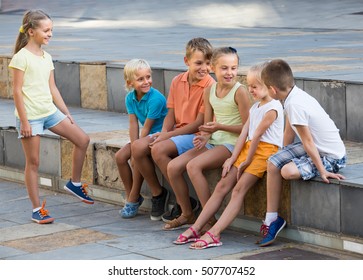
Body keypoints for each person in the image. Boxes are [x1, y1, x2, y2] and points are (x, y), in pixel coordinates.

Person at [173, 62, 284, 249]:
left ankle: (214, 233)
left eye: (255, 87)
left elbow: (257, 135)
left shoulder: (273, 108)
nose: (251, 91)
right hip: (249, 148)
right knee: (222, 184)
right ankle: (197, 226)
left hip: (265, 152)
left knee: (238, 189)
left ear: (268, 86)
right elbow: (245, 133)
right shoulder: (255, 107)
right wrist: (233, 158)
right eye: (249, 86)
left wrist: (246, 161)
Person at [9, 10, 93, 224]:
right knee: (34, 162)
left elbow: (52, 87)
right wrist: (25, 122)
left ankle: (74, 183)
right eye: (46, 30)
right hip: (31, 116)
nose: (50, 34)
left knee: (82, 140)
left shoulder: (46, 57)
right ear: (31, 31)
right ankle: (37, 209)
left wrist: (66, 112)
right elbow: (17, 91)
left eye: (51, 30)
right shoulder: (21, 58)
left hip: (49, 111)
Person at [258, 59, 346, 247]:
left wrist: (322, 170)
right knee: (273, 162)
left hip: (330, 155)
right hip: (316, 146)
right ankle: (271, 218)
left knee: (287, 171)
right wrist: (283, 154)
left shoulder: (294, 105)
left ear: (272, 90)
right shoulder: (292, 96)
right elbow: (289, 131)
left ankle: (317, 167)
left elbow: (307, 141)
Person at [163, 47, 250, 230]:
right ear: (213, 68)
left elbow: (247, 128)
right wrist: (204, 137)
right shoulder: (209, 90)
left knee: (193, 166)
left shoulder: (239, 91)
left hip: (233, 143)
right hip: (214, 141)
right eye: (224, 68)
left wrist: (219, 127)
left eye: (233, 68)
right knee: (172, 167)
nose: (230, 73)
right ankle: (187, 213)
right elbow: (207, 126)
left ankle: (209, 219)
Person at [132, 37, 215, 221]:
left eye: (208, 63)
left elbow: (198, 123)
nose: (204, 68)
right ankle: (158, 193)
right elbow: (171, 113)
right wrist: (163, 133)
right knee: (137, 147)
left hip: (194, 134)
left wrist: (167, 136)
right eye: (199, 63)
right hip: (176, 132)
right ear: (186, 61)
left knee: (159, 149)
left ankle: (185, 206)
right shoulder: (178, 80)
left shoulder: (210, 86)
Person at [115, 59, 167, 219]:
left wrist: (136, 147)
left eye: (148, 77)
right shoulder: (130, 98)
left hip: (160, 134)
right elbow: (133, 124)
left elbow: (147, 127)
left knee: (136, 155)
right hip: (146, 135)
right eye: (140, 79)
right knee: (120, 156)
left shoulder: (156, 99)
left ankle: (133, 198)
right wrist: (133, 145)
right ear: (130, 82)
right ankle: (132, 194)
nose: (146, 82)